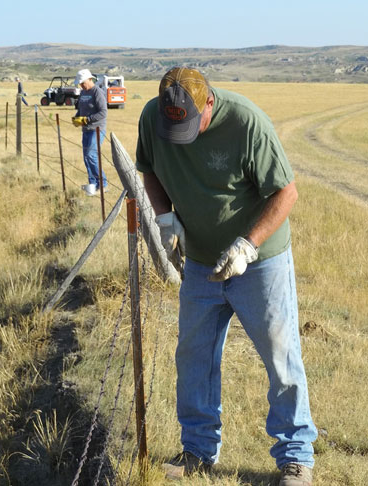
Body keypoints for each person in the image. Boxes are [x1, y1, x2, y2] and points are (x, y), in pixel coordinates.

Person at [135, 67, 317, 486]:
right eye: (171, 124)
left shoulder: (246, 122)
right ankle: (198, 450)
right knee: (194, 356)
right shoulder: (153, 118)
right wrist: (165, 218)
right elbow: (149, 168)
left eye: (188, 124)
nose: (178, 132)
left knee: (279, 353)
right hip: (200, 261)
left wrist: (247, 245)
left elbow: (285, 192)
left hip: (260, 261)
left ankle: (295, 456)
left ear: (209, 104)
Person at [72, 68, 108, 196]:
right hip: (86, 129)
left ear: (90, 79)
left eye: (83, 83)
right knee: (86, 157)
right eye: (80, 84)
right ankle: (92, 185)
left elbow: (103, 112)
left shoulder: (97, 92)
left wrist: (87, 119)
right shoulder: (83, 93)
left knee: (91, 155)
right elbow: (81, 108)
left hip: (97, 129)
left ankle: (103, 184)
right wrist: (77, 117)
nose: (81, 85)